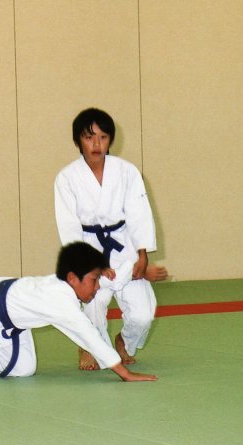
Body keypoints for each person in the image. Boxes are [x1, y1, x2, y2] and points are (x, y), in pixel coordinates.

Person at [0, 242, 157, 382]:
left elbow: (108, 281)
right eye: (94, 281)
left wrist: (132, 268)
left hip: (9, 326)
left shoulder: (70, 285)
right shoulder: (61, 302)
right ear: (73, 279)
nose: (97, 288)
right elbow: (90, 337)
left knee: (23, 370)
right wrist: (125, 373)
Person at [54, 108, 167, 371]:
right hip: (88, 248)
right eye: (89, 137)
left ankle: (124, 342)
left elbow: (139, 213)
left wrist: (142, 253)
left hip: (124, 247)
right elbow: (68, 225)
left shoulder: (127, 172)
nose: (96, 144)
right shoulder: (67, 178)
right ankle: (88, 347)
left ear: (110, 140)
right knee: (93, 306)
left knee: (143, 314)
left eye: (103, 137)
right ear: (78, 141)